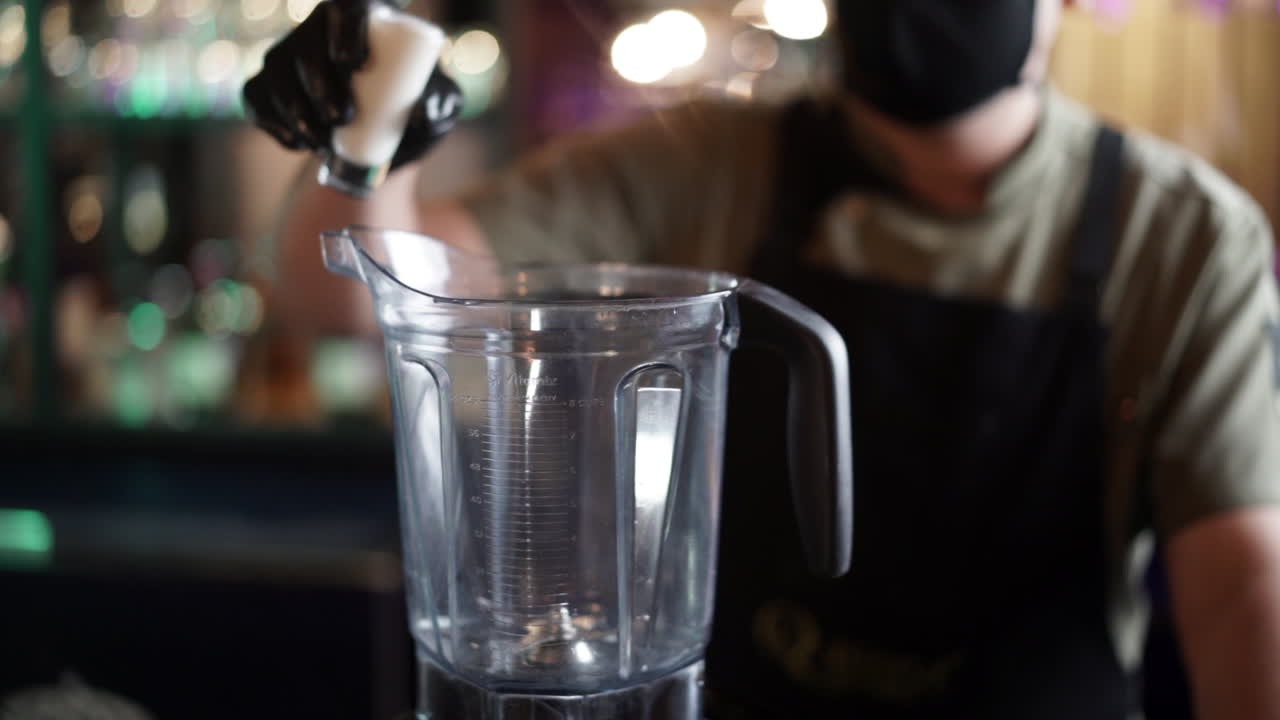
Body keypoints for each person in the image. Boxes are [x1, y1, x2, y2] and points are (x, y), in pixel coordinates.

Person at [244, 1, 1280, 717]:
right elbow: (354, 292)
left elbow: (1242, 585)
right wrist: (363, 137)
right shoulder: (713, 165)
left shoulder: (1180, 237)